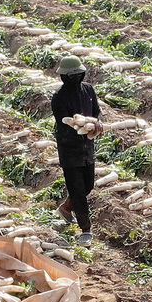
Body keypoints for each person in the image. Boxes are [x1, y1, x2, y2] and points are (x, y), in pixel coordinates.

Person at [51, 55, 102, 246]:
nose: (74, 79)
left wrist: (97, 124)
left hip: (87, 146)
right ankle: (86, 230)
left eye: (77, 75)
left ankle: (65, 208)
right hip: (69, 148)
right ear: (65, 77)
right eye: (70, 76)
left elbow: (96, 111)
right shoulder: (59, 98)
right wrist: (82, 127)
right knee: (78, 190)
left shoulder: (88, 90)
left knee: (88, 185)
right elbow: (65, 124)